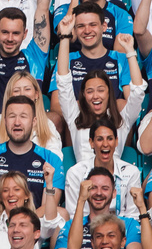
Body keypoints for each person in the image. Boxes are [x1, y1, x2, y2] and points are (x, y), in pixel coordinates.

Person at [55, 15, 147, 163]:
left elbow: (137, 91)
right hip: (83, 180)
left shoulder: (122, 120)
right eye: (90, 91)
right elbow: (63, 81)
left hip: (115, 181)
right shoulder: (75, 117)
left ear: (109, 93)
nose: (95, 96)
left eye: (101, 90)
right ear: (83, 95)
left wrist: (130, 51)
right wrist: (65, 36)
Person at [0, 95, 64, 206]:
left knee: (61, 213)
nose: (17, 122)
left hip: (36, 222)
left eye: (23, 116)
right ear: (5, 121)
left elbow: (48, 211)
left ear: (34, 121)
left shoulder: (52, 160)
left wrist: (22, 222)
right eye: (12, 116)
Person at [58, 172, 146, 249]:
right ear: (86, 192)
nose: (99, 193)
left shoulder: (128, 224)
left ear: (114, 193)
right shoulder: (71, 226)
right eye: (93, 188)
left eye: (105, 188)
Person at [64, 122, 143, 222]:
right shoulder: (75, 173)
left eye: (110, 139)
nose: (105, 144)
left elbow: (133, 216)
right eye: (100, 139)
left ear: (116, 141)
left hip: (122, 230)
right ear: (91, 143)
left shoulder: (131, 172)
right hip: (86, 230)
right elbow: (73, 216)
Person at [0, 166, 61, 249]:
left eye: (16, 189)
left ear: (26, 196)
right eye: (5, 190)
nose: (11, 194)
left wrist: (49, 184)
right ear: (1, 197)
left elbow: (50, 223)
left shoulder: (34, 222)